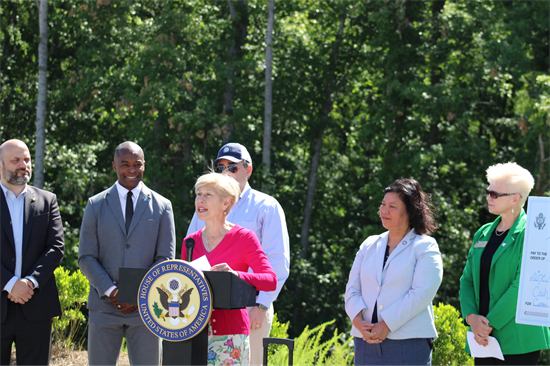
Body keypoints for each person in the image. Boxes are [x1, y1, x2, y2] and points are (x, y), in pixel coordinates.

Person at [186, 142, 289, 366]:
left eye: (232, 167)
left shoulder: (267, 206)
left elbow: (277, 263)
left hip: (249, 308)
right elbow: (191, 260)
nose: (226, 172)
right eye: (220, 166)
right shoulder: (204, 206)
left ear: (248, 169)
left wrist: (261, 306)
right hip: (203, 313)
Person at [78, 141, 176, 366]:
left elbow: (165, 258)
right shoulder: (95, 205)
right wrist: (112, 291)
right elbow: (86, 257)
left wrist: (138, 294)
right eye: (125, 164)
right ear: (114, 166)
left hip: (146, 311)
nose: (131, 169)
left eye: (137, 164)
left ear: (144, 166)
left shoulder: (163, 207)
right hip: (103, 308)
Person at [459, 162, 550, 365]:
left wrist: (488, 324)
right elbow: (466, 280)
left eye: (494, 194)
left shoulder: (535, 233)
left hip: (518, 339)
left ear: (515, 199)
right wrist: (471, 317)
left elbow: (524, 286)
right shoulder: (482, 233)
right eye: (487, 191)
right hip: (482, 338)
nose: (487, 197)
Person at [345, 178, 443, 366]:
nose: (384, 210)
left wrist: (387, 324)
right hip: (365, 341)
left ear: (410, 211)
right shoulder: (369, 244)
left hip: (408, 344)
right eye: (383, 204)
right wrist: (357, 320)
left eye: (392, 206)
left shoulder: (425, 246)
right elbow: (352, 288)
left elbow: (422, 293)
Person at [0, 139, 65, 365]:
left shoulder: (47, 200)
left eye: (26, 159)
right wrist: (9, 283)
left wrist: (30, 282)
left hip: (36, 306)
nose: (23, 164)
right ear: (1, 165)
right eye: (15, 160)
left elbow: (56, 247)